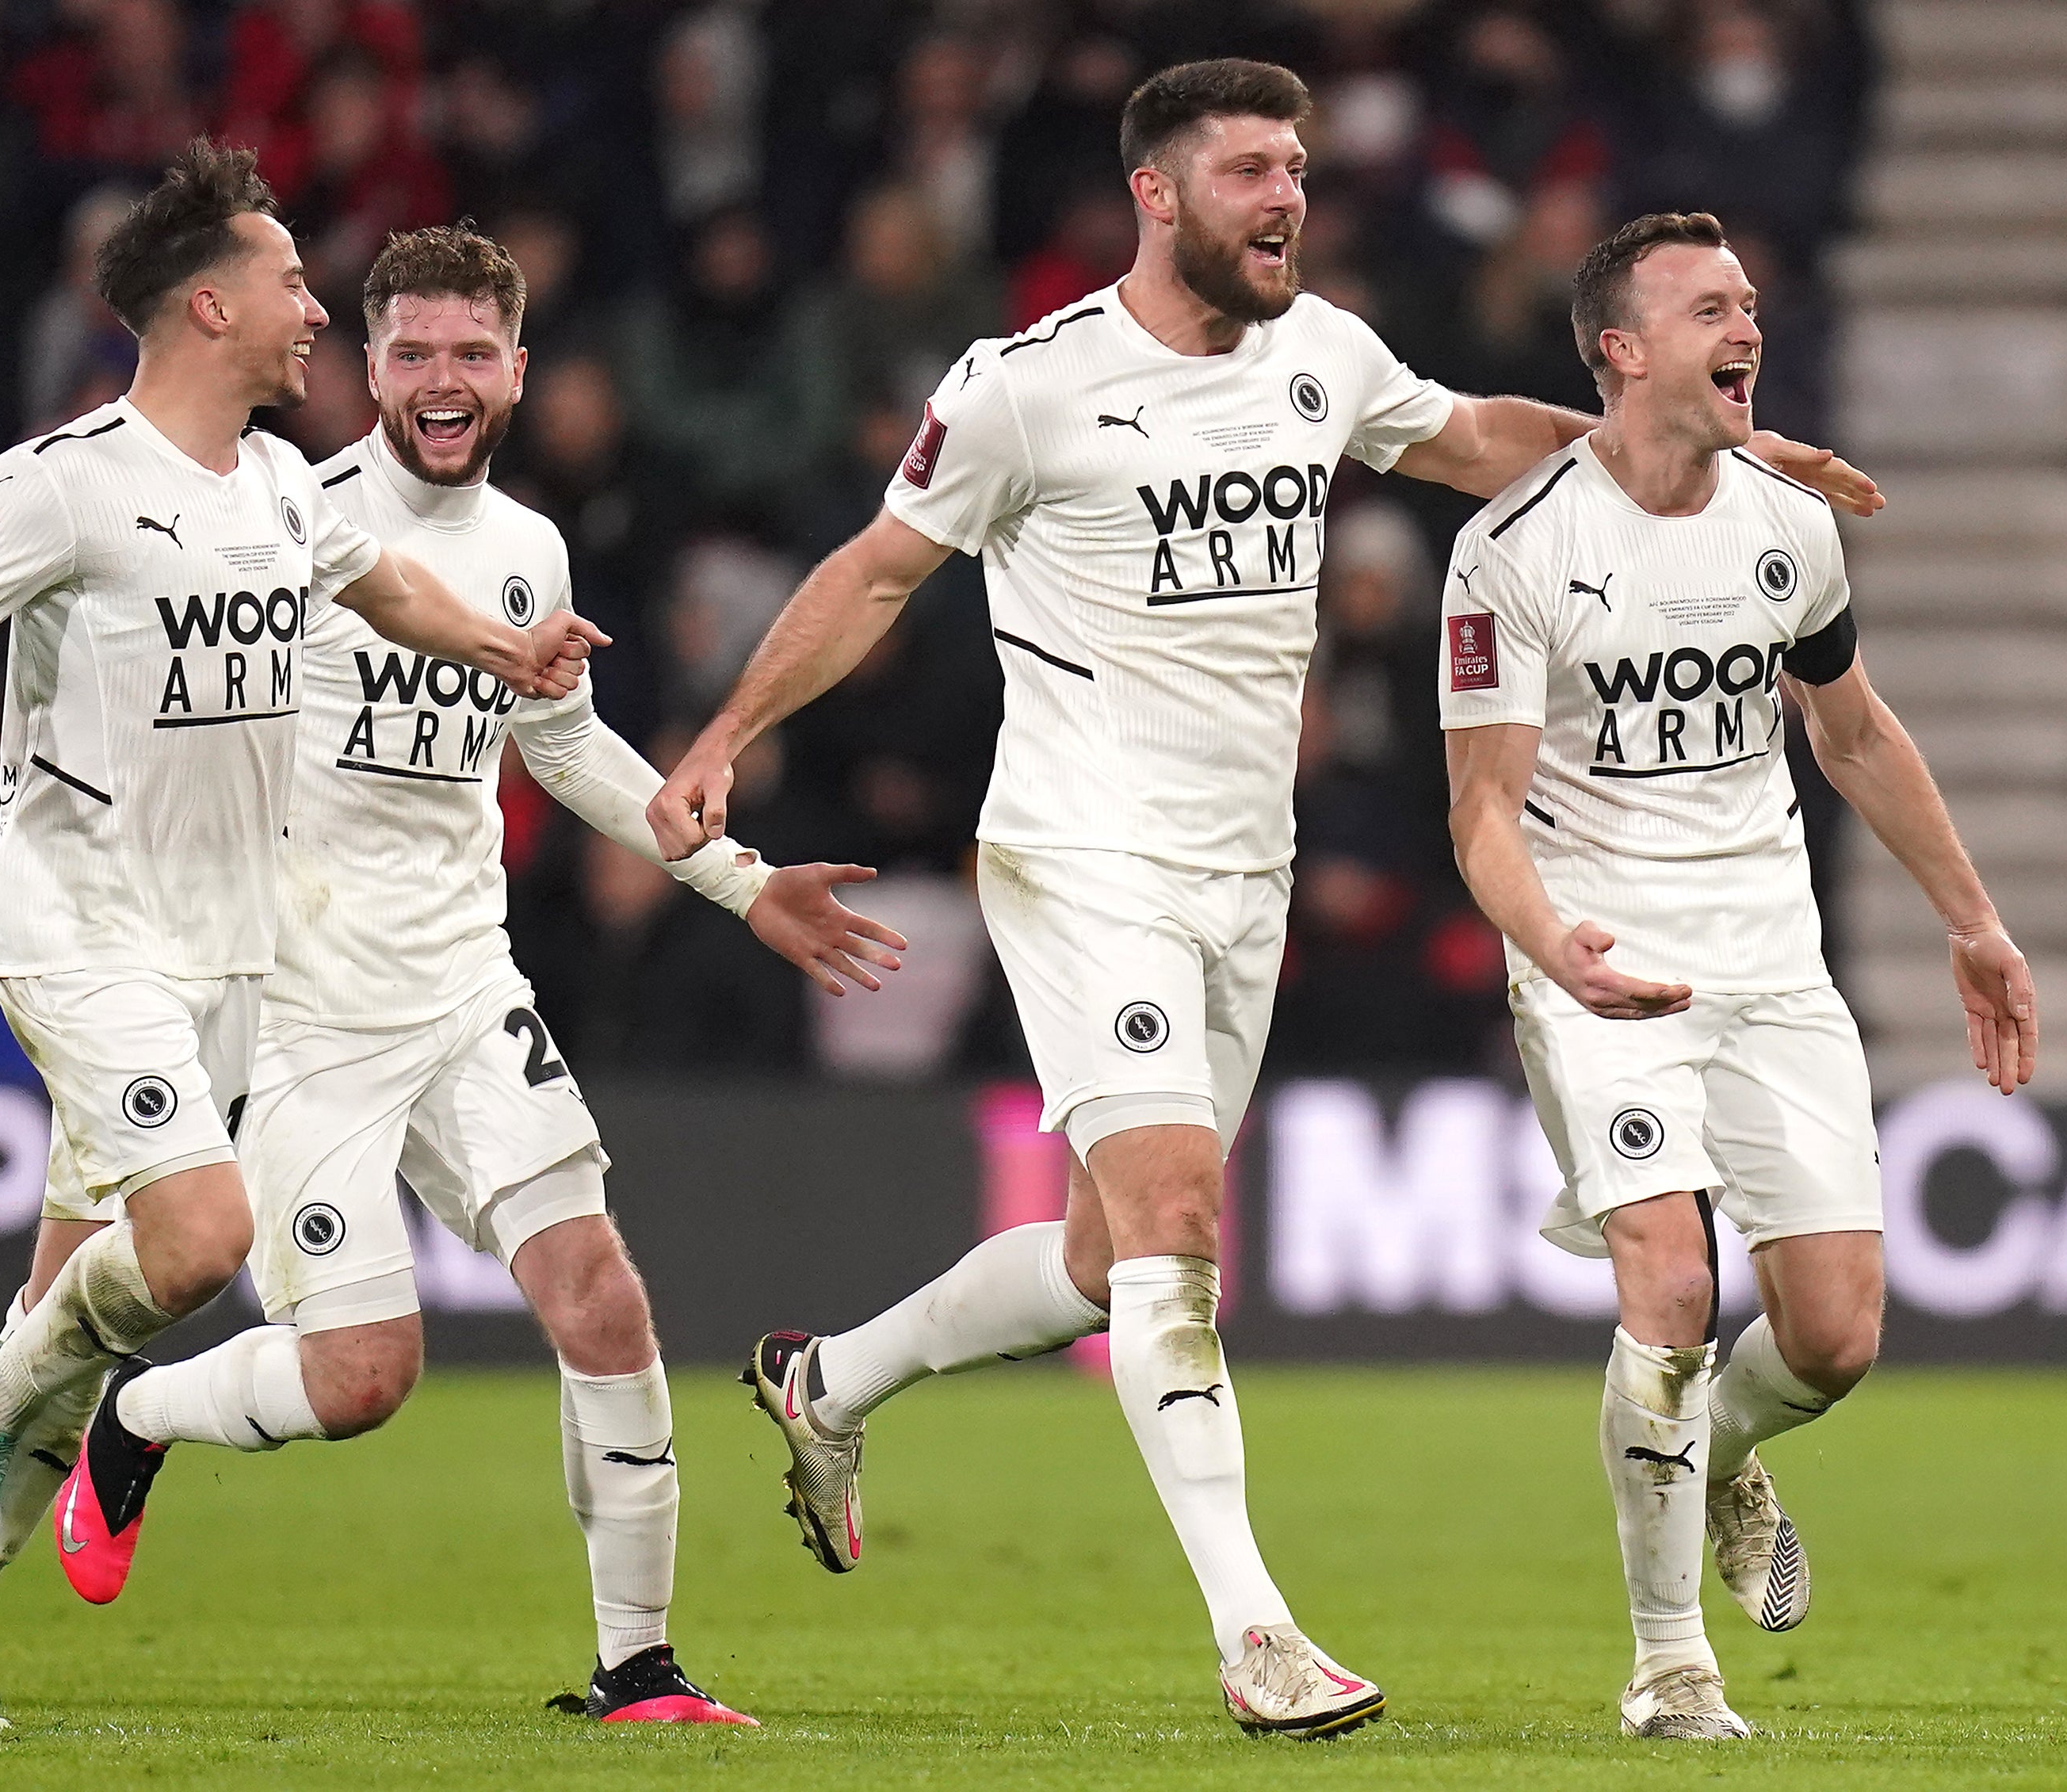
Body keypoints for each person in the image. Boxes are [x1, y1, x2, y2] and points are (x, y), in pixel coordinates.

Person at [644, 59, 1881, 1740]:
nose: (1286, 197)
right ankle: (1259, 1638)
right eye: (1247, 173)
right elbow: (877, 568)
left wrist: (1697, 445)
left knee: (1102, 1259)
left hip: (1245, 871)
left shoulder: (1324, 356)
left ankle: (827, 1377)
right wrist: (729, 729)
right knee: (1174, 1225)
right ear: (1155, 194)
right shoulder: (1029, 386)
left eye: (1294, 168)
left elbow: (1475, 441)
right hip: (1085, 850)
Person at [0, 141, 599, 1731]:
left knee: (86, 1305)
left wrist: (511, 647)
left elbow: (394, 593)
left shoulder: (286, 487)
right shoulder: (60, 482)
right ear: (209, 304)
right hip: (81, 929)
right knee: (205, 1243)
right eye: (292, 280)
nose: (313, 307)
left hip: (229, 955)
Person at [32, 225, 899, 1728]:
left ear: (517, 369)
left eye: (472, 353)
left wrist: (742, 884)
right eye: (412, 353)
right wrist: (51, 843)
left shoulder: (528, 551)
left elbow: (554, 741)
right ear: (365, 367)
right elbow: (155, 702)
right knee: (363, 1377)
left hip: (462, 985)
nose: (444, 381)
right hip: (299, 1007)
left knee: (602, 1300)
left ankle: (637, 1666)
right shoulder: (275, 516)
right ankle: (141, 1413)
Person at [1437, 211, 2035, 1740]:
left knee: (1832, 1333)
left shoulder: (1787, 520)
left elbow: (1847, 730)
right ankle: (1666, 1665)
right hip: (1604, 950)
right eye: (1709, 306)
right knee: (1671, 1282)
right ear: (1621, 350)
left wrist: (1971, 918)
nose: (1746, 326)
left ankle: (1716, 1454)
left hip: (1770, 950)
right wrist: (1550, 941)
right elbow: (1482, 814)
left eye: (1751, 303)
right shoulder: (1512, 549)